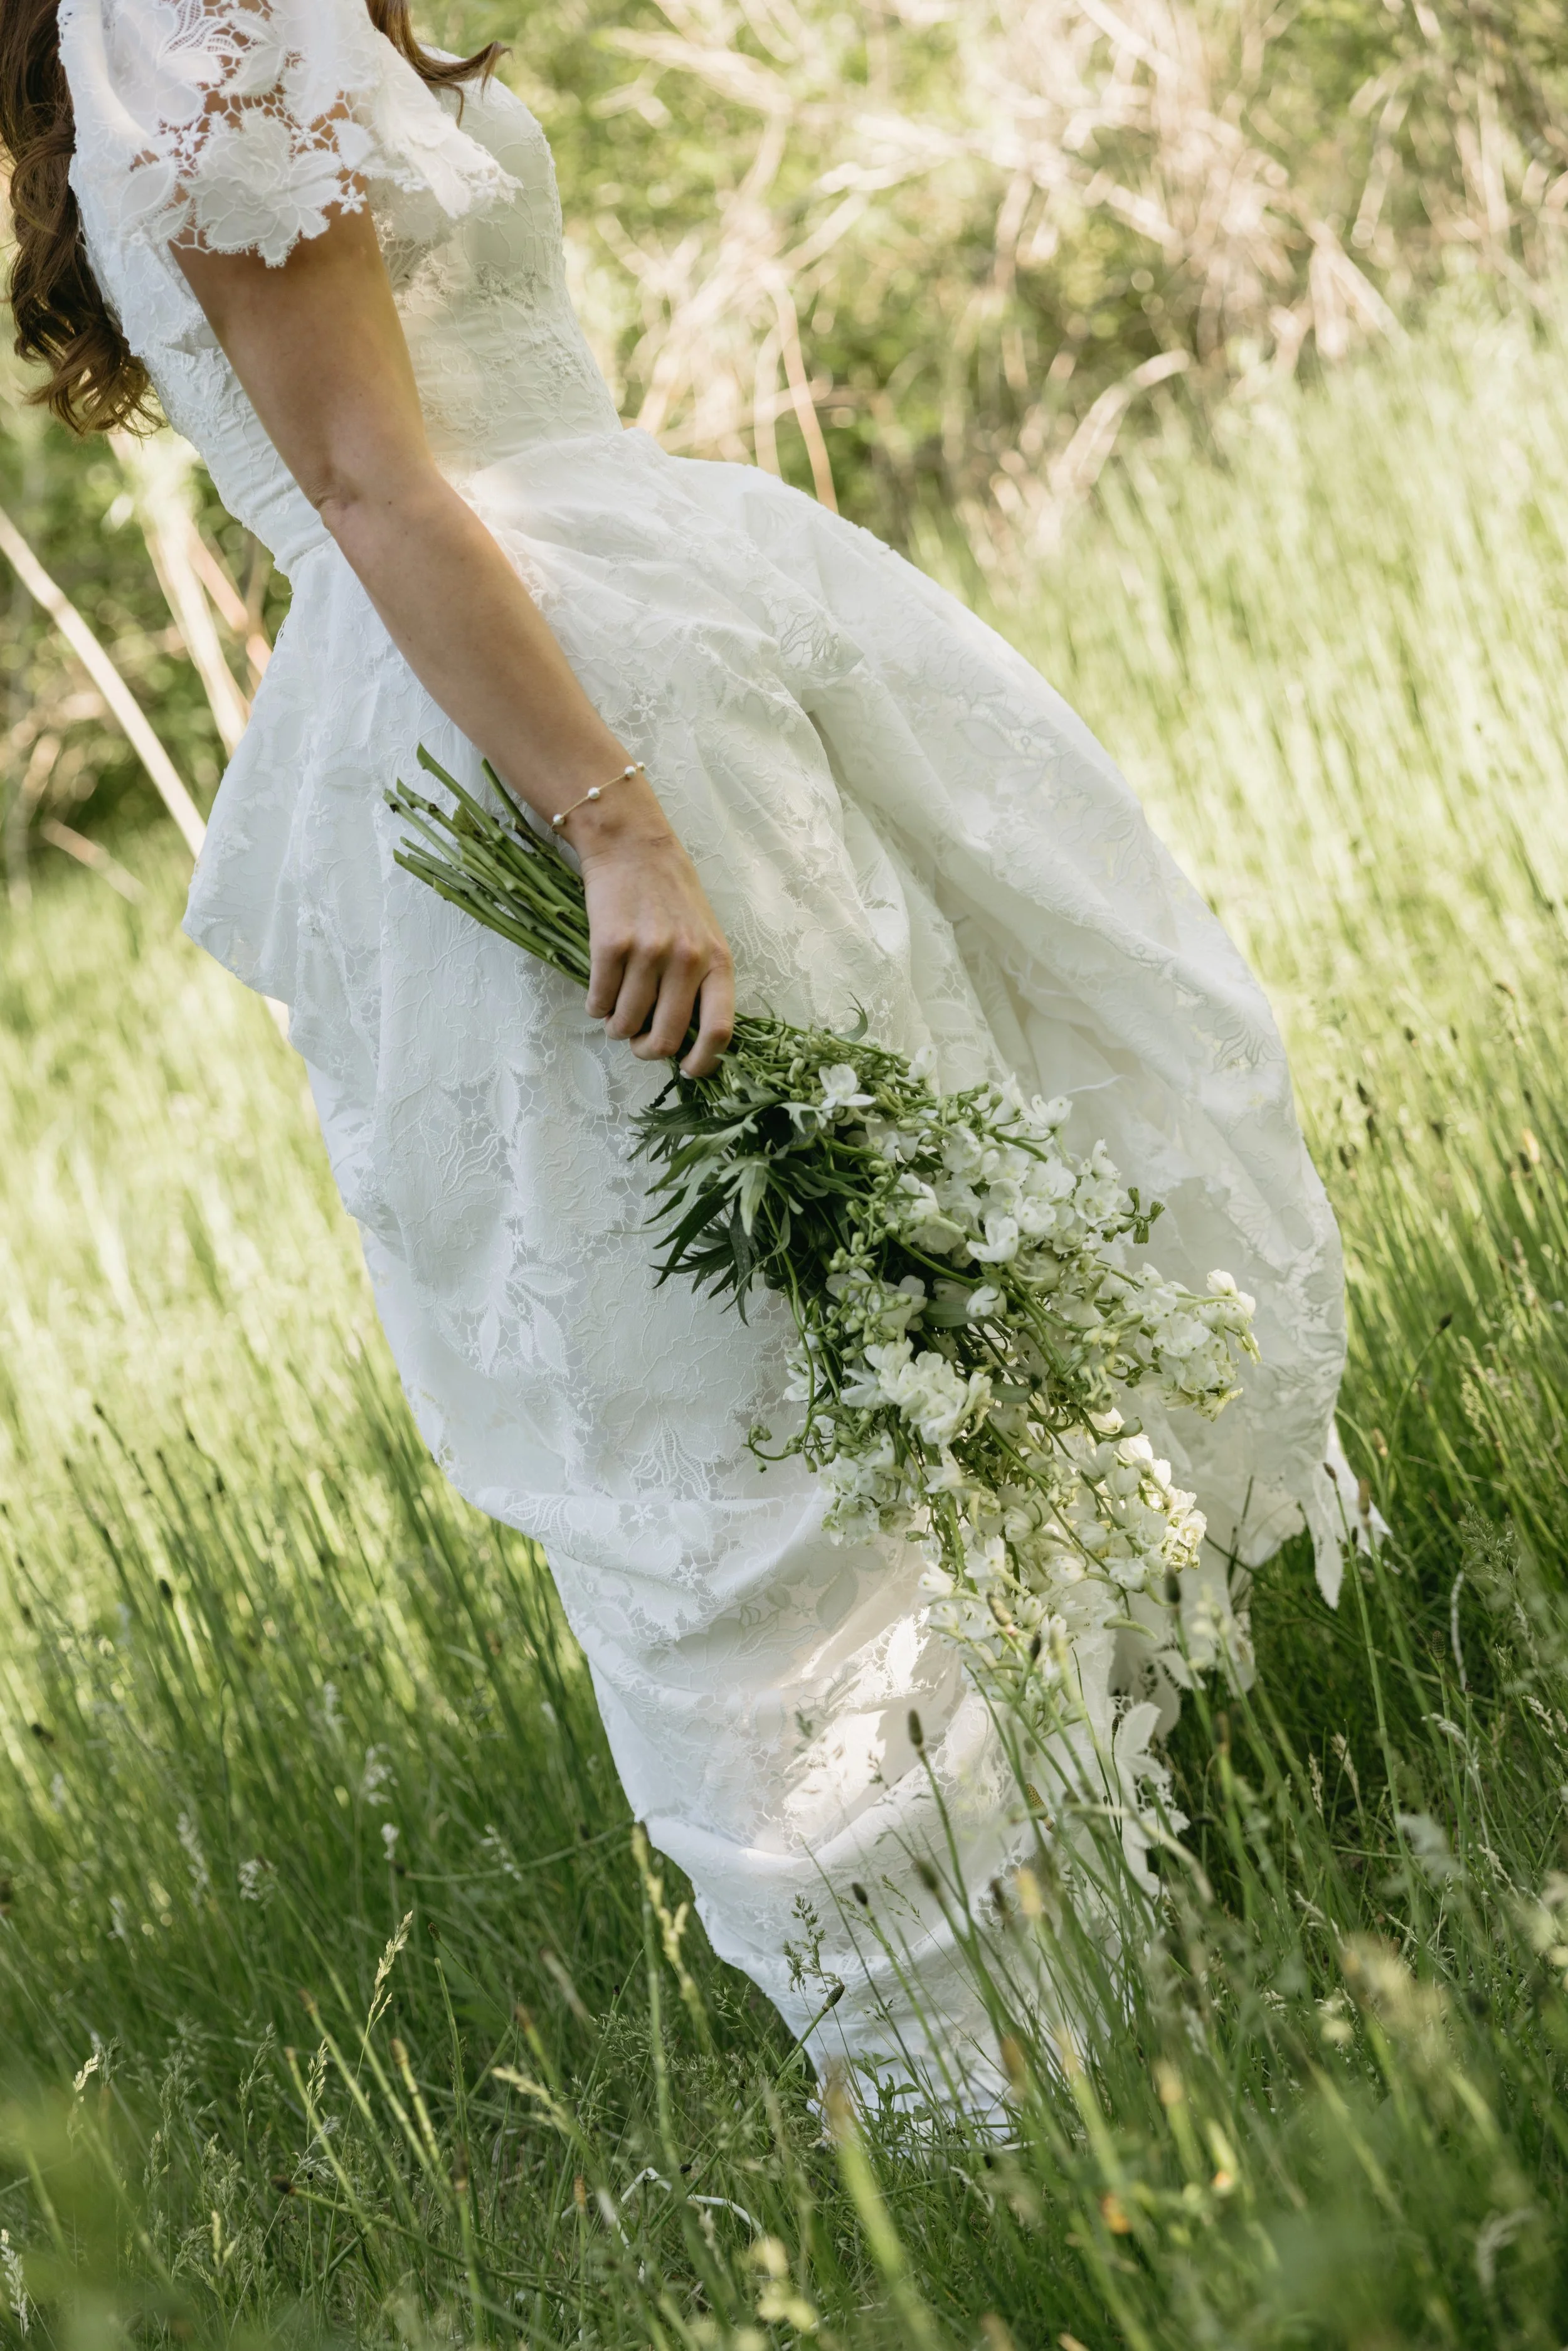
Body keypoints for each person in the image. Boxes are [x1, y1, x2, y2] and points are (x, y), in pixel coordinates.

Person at [6, 0, 1350, 2109]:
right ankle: (942, 2065)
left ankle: (1069, 1949)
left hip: (640, 631)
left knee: (893, 1277)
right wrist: (611, 820)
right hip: (541, 723)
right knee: (720, 1399)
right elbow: (365, 473)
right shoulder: (187, 10)